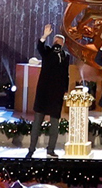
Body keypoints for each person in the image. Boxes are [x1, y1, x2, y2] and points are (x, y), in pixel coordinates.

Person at [28, 23, 71, 158]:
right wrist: (44, 36)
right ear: (52, 42)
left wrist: (65, 89)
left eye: (60, 42)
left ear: (63, 44)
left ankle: (50, 149)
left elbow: (66, 73)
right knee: (37, 122)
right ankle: (31, 149)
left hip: (56, 94)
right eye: (55, 41)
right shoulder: (47, 51)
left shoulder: (65, 56)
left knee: (54, 124)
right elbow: (40, 47)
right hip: (44, 93)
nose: (57, 43)